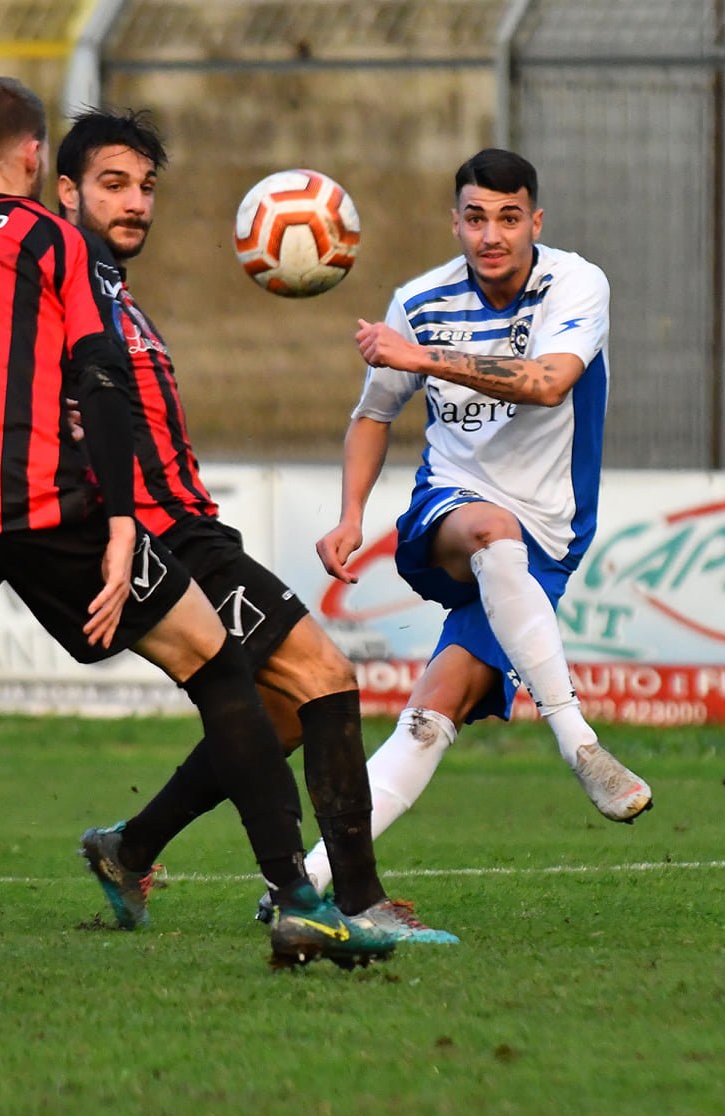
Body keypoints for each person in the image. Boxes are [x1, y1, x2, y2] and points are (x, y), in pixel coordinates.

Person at [0, 78, 395, 972]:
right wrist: (121, 521)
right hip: (43, 501)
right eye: (112, 183)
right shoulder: (53, 244)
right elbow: (99, 378)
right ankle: (300, 903)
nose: (132, 202)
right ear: (41, 163)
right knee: (218, 664)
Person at [50, 109, 456, 948]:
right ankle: (355, 901)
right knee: (326, 676)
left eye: (146, 188)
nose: (135, 204)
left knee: (274, 713)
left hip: (189, 527)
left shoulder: (112, 289)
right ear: (65, 190)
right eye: (113, 185)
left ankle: (129, 849)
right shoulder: (60, 285)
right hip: (163, 538)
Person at [309, 148, 651, 889]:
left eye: (507, 218)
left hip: (549, 541)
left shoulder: (576, 284)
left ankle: (308, 881)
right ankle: (580, 744)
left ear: (535, 220)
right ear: (454, 223)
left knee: (436, 708)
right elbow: (372, 415)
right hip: (451, 518)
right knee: (491, 527)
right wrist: (349, 516)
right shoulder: (420, 299)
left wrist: (425, 357)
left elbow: (550, 383)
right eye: (474, 218)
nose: (490, 235)